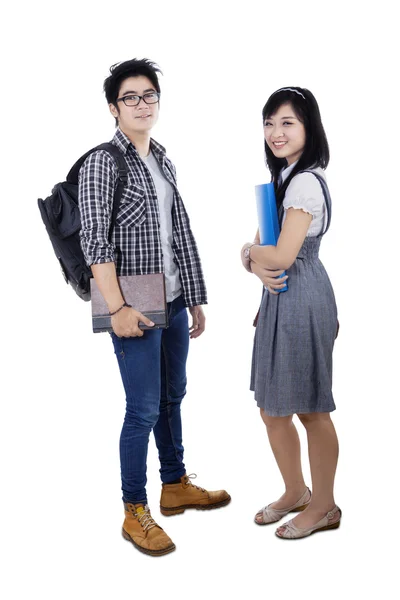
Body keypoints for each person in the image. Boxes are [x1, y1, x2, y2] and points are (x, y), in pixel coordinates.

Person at [79, 58, 230, 556]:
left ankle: (174, 483)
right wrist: (118, 308)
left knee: (173, 394)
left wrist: (194, 296)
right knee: (142, 408)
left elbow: (177, 233)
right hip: (134, 306)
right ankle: (133, 510)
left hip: (173, 299)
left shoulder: (162, 159)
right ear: (112, 107)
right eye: (130, 97)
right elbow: (95, 243)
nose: (142, 104)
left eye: (149, 96)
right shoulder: (104, 161)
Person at [241, 87, 341, 539]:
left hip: (300, 296)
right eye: (269, 123)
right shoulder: (285, 176)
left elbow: (278, 255)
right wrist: (254, 260)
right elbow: (266, 254)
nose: (275, 132)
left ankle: (323, 506)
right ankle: (295, 491)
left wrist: (248, 254)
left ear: (308, 128)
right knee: (272, 408)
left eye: (287, 122)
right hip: (280, 298)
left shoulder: (304, 182)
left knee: (310, 409)